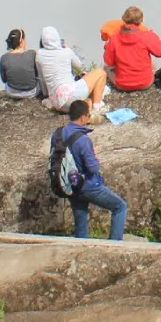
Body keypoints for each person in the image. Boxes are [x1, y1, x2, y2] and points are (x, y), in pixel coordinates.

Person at [52, 100, 127, 240]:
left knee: (81, 226)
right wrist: (95, 155)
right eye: (88, 115)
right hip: (88, 186)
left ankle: (80, 253)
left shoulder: (57, 134)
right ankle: (115, 246)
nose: (89, 118)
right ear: (82, 117)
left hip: (70, 185)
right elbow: (93, 168)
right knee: (120, 207)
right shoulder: (83, 140)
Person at [36, 27, 107, 115]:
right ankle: (97, 107)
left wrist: (46, 95)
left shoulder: (39, 55)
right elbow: (79, 66)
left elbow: (42, 79)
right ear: (57, 39)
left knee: (85, 98)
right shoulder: (66, 52)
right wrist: (67, 48)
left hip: (56, 103)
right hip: (70, 96)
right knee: (101, 73)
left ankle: (87, 104)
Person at [104, 6, 161, 91]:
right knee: (152, 62)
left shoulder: (114, 39)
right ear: (141, 21)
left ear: (124, 18)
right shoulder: (146, 36)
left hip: (122, 85)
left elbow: (109, 61)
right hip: (145, 83)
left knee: (106, 68)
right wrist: (154, 34)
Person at [0, 29, 44, 100]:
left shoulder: (4, 58)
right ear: (22, 41)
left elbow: (4, 80)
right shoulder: (32, 53)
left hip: (12, 93)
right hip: (31, 92)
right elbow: (37, 74)